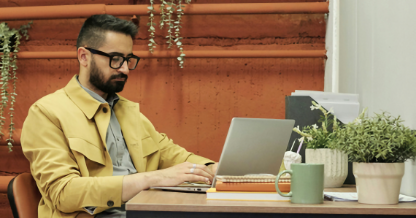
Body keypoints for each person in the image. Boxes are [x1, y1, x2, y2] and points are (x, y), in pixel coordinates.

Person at [21, 14, 218, 218]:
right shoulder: (47, 113)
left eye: (128, 59)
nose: (125, 69)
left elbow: (172, 155)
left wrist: (215, 169)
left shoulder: (128, 111)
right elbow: (63, 193)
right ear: (84, 56)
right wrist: (149, 179)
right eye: (115, 59)